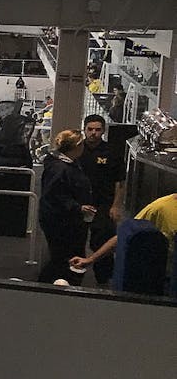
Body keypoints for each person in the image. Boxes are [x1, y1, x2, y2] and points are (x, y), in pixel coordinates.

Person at [38, 130, 95, 284]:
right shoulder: (60, 168)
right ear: (76, 147)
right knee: (62, 257)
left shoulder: (66, 164)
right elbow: (54, 195)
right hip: (61, 222)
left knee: (62, 256)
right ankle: (52, 283)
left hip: (64, 219)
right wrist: (77, 207)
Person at [77, 114, 126, 286]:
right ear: (84, 129)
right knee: (76, 239)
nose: (93, 133)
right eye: (90, 129)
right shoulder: (77, 150)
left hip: (104, 203)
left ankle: (104, 279)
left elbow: (120, 182)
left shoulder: (112, 152)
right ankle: (74, 274)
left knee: (102, 241)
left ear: (103, 130)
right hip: (80, 203)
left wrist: (116, 206)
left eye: (98, 130)